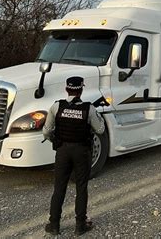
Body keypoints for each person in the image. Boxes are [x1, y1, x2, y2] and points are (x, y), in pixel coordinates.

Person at [43, 76, 105, 235]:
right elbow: (100, 130)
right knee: (81, 187)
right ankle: (80, 225)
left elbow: (46, 131)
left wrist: (55, 141)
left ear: (66, 89)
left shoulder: (56, 106)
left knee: (59, 188)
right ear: (81, 89)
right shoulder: (89, 108)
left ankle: (54, 225)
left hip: (62, 151)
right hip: (82, 151)